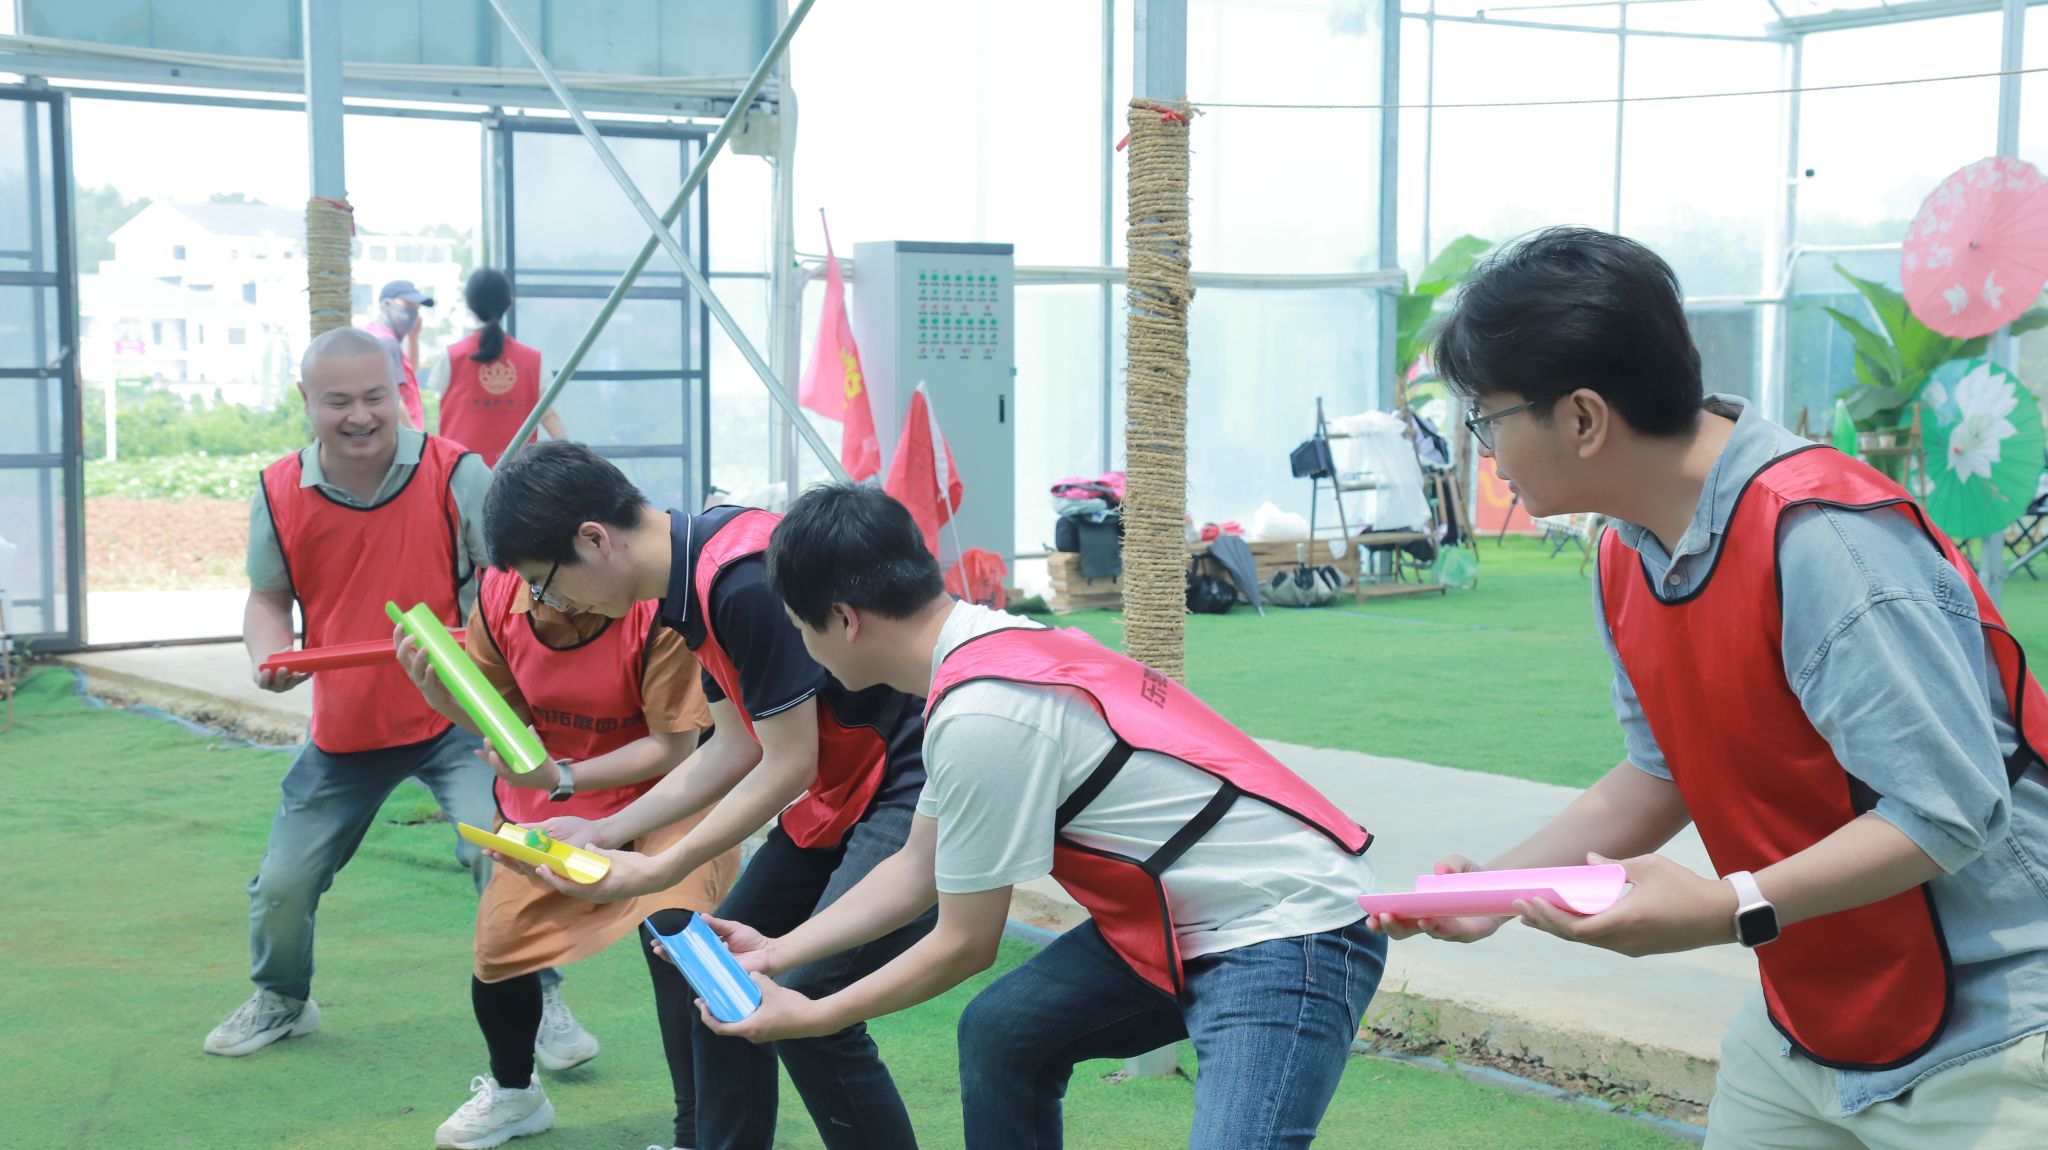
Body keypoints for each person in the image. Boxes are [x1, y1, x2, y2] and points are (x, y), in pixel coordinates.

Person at [1374, 227, 2048, 1148]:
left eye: (1488, 419)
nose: (1484, 451)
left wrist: (1728, 907)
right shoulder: (1627, 551)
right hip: (1809, 1013)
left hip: (2000, 1030)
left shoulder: (1826, 542)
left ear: (1583, 418)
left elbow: (1950, 810)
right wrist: (1494, 890)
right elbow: (1662, 771)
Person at [689, 483, 1384, 1150]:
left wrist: (815, 1015)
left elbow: (965, 944)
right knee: (1003, 1032)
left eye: (800, 628)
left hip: (1286, 928)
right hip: (1188, 917)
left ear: (844, 620)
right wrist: (777, 950)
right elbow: (915, 868)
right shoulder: (989, 649)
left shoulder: (984, 713)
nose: (802, 649)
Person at [479, 441, 933, 1150]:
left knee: (809, 1001)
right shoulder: (689, 588)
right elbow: (734, 745)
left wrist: (658, 869)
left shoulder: (738, 580)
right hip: (841, 792)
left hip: (909, 781)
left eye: (544, 582)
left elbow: (787, 765)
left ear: (593, 539)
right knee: (713, 974)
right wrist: (605, 832)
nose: (551, 603)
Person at [204, 328, 595, 1070]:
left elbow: (510, 580)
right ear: (306, 400)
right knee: (284, 883)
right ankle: (283, 998)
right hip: (347, 726)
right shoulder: (279, 490)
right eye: (338, 401)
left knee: (505, 849)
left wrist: (504, 655)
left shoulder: (457, 473)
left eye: (375, 397)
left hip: (462, 714)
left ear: (401, 391)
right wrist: (269, 655)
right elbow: (267, 598)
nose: (360, 416)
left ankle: (539, 996)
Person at [394, 565, 738, 1150]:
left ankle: (697, 1132)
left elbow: (673, 746)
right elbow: (504, 719)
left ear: (591, 543)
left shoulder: (657, 602)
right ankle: (515, 1094)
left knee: (678, 940)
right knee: (501, 945)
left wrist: (562, 777)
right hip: (553, 800)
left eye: (544, 575)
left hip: (672, 797)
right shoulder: (503, 591)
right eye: (526, 576)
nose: (539, 591)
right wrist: (438, 695)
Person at [436, 268, 565, 467]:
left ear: (469, 304)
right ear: (509, 303)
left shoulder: (451, 357)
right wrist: (573, 460)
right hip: (516, 477)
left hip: (459, 474)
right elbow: (548, 416)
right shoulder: (533, 360)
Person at [364, 279, 432, 432]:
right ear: (386, 304)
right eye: (408, 306)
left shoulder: (375, 335)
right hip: (400, 436)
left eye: (416, 309)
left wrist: (413, 339)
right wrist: (416, 436)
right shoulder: (387, 343)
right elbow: (392, 396)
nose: (412, 314)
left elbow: (408, 376)